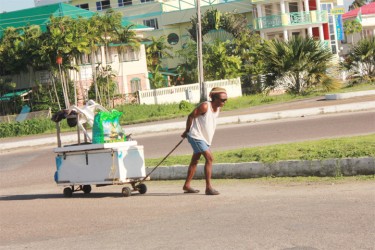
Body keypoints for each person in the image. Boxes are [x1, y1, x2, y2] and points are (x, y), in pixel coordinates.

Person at [181, 87, 227, 195]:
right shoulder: (205, 106)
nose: (224, 102)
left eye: (225, 100)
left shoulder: (218, 107)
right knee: (209, 158)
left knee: (195, 160)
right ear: (214, 98)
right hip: (196, 136)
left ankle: (186, 185)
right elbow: (191, 116)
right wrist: (187, 131)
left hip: (205, 138)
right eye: (222, 100)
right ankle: (208, 188)